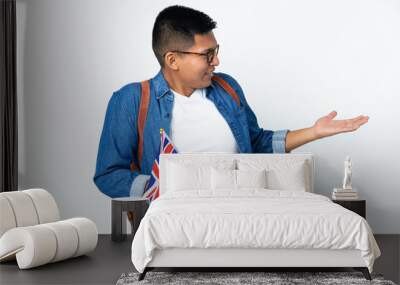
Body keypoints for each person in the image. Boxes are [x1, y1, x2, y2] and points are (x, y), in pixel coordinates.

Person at [93, 5, 369, 199]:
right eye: (207, 54)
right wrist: (158, 187)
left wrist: (314, 131)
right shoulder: (131, 100)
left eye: (216, 51)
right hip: (174, 216)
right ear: (173, 60)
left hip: (240, 208)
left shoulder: (227, 88)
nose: (216, 61)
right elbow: (108, 174)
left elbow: (257, 142)